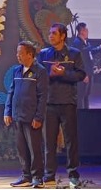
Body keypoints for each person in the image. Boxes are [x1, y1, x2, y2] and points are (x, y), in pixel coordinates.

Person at [37, 24, 86, 188]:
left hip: (68, 102)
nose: (50, 36)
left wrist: (63, 73)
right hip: (49, 103)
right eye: (50, 33)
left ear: (63, 36)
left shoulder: (74, 53)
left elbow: (81, 74)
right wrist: (50, 74)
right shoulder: (44, 54)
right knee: (49, 142)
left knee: (71, 140)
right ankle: (49, 175)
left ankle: (73, 174)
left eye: (54, 33)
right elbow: (37, 76)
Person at [4, 41, 48, 188]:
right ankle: (26, 176)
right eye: (17, 53)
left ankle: (37, 178)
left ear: (30, 54)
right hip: (17, 116)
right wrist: (7, 111)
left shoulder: (40, 71)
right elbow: (11, 92)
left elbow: (42, 96)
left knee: (34, 149)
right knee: (22, 149)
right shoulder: (17, 70)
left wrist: (38, 117)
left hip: (31, 117)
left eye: (20, 53)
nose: (17, 56)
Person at [69, 22, 101, 110]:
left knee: (86, 96)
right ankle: (81, 115)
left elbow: (89, 52)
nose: (88, 31)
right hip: (83, 75)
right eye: (87, 30)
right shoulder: (77, 43)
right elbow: (79, 60)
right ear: (82, 31)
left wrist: (100, 48)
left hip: (88, 73)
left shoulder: (85, 42)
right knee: (81, 97)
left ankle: (86, 114)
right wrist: (83, 74)